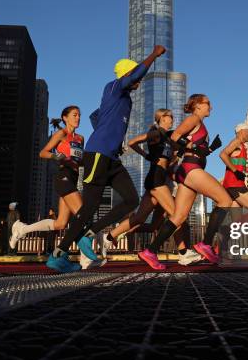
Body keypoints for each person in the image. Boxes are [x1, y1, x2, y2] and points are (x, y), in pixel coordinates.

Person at [48, 45, 167, 273]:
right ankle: (58, 254)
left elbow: (96, 115)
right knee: (88, 208)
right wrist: (153, 55)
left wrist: (114, 140)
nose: (138, 82)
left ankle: (88, 234)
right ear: (126, 75)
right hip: (97, 155)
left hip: (112, 158)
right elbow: (134, 75)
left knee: (132, 200)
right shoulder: (113, 87)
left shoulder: (127, 100)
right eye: (133, 76)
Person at [103, 109, 202, 269]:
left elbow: (170, 160)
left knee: (139, 218)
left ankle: (109, 236)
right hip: (156, 180)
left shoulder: (169, 137)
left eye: (171, 117)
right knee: (176, 215)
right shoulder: (155, 133)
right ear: (161, 118)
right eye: (169, 117)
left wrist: (180, 153)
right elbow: (132, 142)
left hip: (158, 179)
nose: (171, 119)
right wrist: (145, 155)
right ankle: (183, 254)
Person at [143, 94, 231, 269]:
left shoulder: (200, 123)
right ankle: (206, 244)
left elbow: (198, 150)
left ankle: (150, 251)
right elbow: (175, 137)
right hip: (191, 169)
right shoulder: (193, 118)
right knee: (225, 200)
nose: (210, 107)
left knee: (179, 216)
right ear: (197, 105)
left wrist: (211, 147)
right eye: (208, 103)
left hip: (190, 169)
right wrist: (193, 146)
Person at [10, 106, 98, 268]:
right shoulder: (61, 134)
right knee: (83, 213)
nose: (78, 118)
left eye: (79, 115)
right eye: (74, 115)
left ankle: (22, 229)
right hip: (62, 177)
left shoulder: (80, 138)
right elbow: (43, 152)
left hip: (73, 178)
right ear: (65, 118)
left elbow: (80, 160)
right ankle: (85, 258)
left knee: (61, 223)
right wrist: (58, 156)